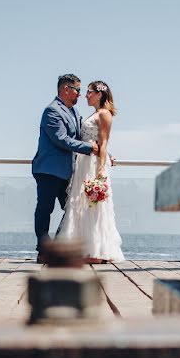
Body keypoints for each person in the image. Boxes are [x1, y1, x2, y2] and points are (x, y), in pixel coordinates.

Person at [32, 74, 99, 262]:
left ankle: (63, 247)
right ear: (66, 89)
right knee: (45, 209)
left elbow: (83, 138)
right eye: (78, 90)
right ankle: (44, 251)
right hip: (48, 170)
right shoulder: (52, 111)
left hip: (69, 173)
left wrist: (104, 153)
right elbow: (61, 139)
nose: (80, 94)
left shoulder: (75, 113)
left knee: (74, 209)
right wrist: (90, 148)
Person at [57, 80, 125, 263]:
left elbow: (103, 143)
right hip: (82, 162)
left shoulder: (104, 114)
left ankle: (95, 251)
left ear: (99, 94)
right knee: (80, 204)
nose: (85, 95)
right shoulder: (94, 114)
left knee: (93, 205)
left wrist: (102, 169)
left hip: (93, 165)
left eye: (89, 92)